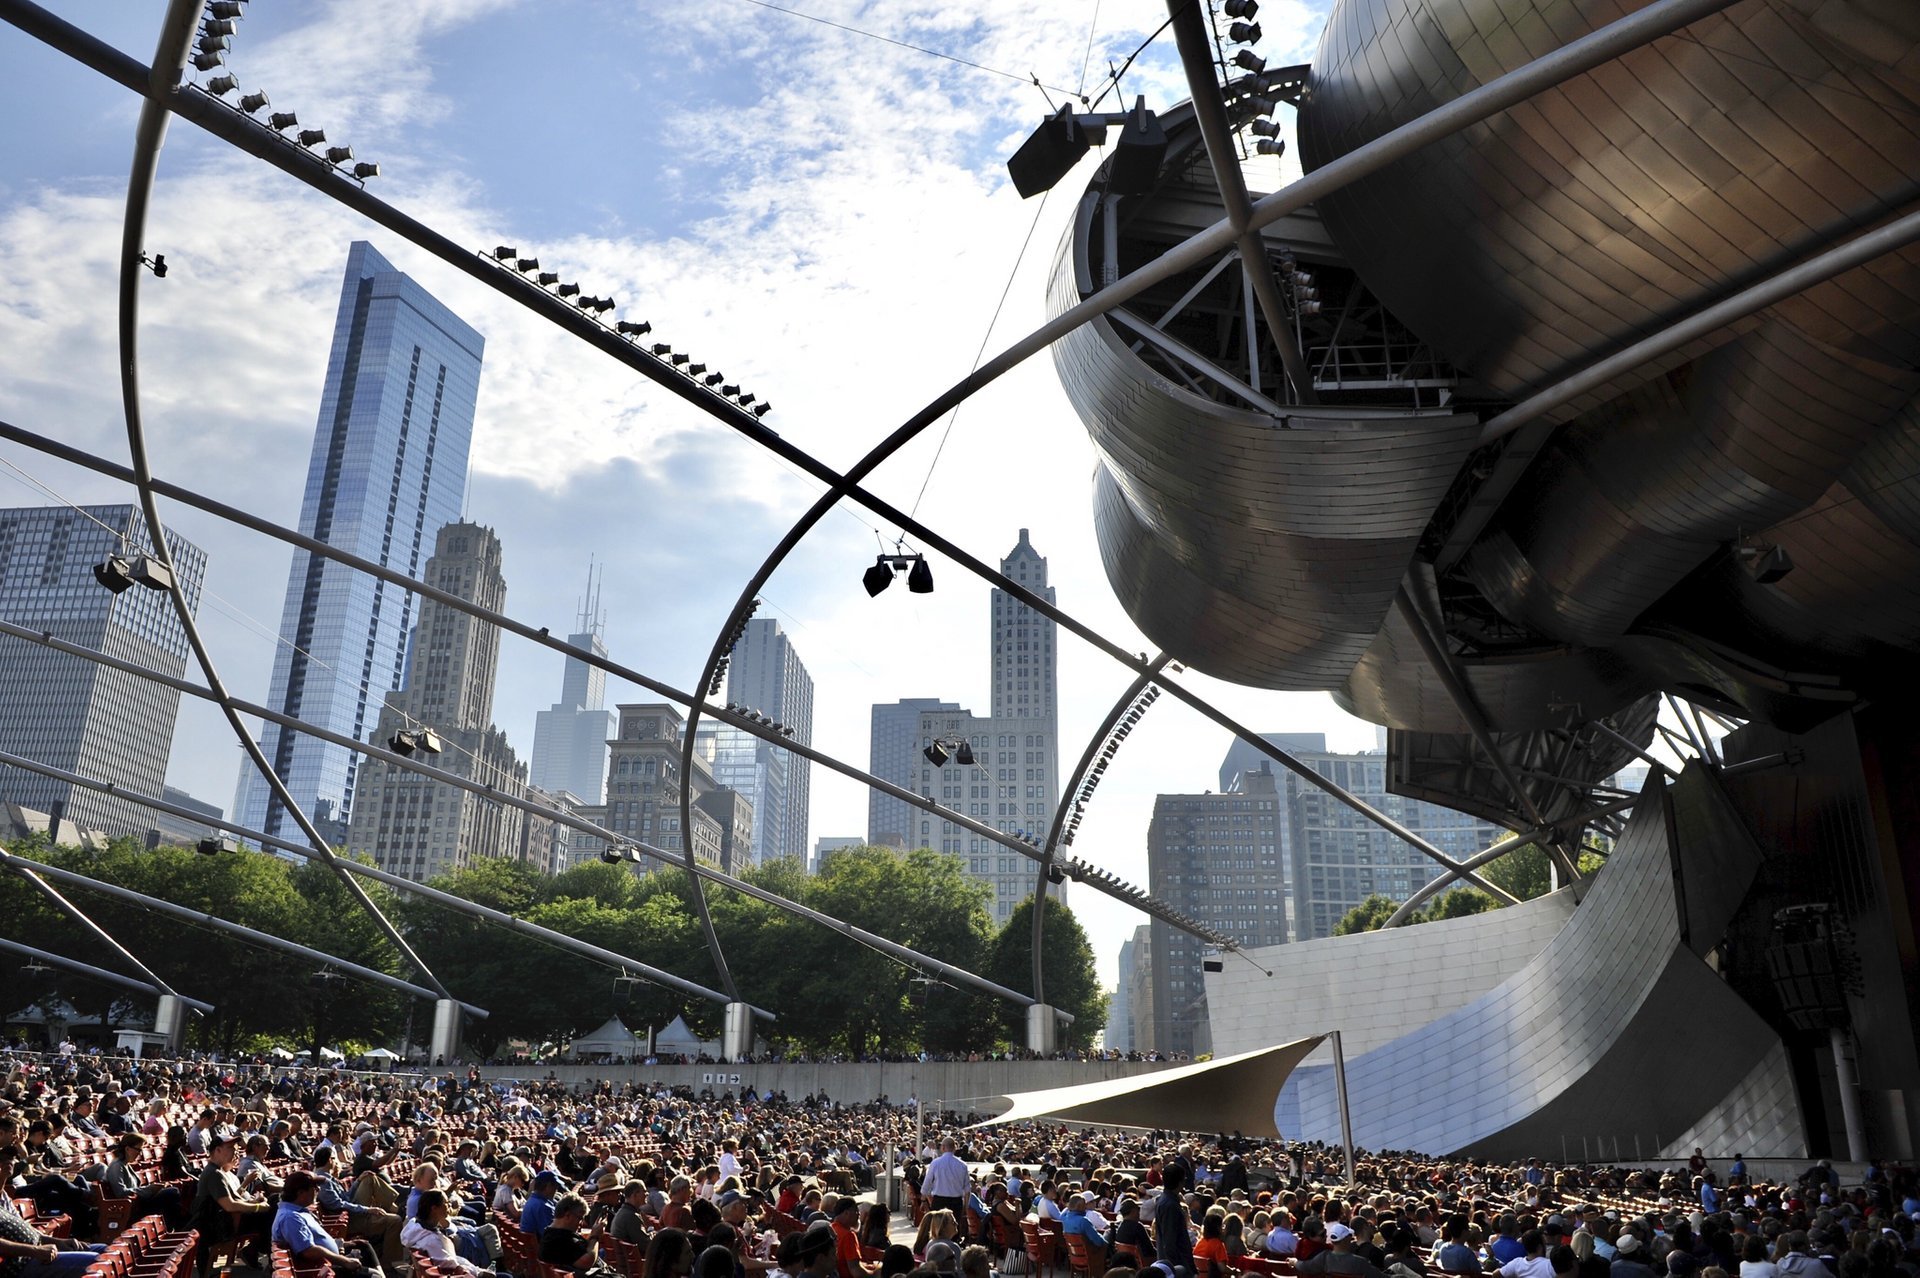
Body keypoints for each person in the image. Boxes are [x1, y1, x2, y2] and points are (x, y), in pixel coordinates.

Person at [190, 1132, 272, 1276]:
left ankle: (268, 1257)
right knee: (271, 1212)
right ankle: (269, 1258)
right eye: (230, 1148)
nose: (235, 1151)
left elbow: (234, 1199)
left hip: (226, 1222)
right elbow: (229, 1205)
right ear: (217, 1150)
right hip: (219, 1227)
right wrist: (258, 1207)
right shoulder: (214, 1173)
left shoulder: (219, 1172)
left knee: (274, 1204)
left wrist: (255, 1201)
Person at [314, 1145, 406, 1273]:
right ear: (330, 1160)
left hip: (350, 1212)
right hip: (348, 1219)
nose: (336, 1162)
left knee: (368, 1177)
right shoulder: (323, 1180)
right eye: (334, 1159)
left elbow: (346, 1197)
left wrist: (358, 1181)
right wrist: (367, 1210)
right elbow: (338, 1205)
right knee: (395, 1220)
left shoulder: (328, 1177)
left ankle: (393, 1207)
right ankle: (388, 1265)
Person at [273, 1171, 382, 1278]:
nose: (318, 1190)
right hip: (322, 1269)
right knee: (374, 1275)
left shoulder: (298, 1211)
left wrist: (339, 1244)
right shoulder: (290, 1217)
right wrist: (345, 1261)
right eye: (314, 1187)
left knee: (363, 1246)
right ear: (300, 1193)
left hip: (328, 1261)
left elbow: (315, 1240)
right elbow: (308, 1251)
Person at [402, 1189, 496, 1278]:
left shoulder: (416, 1226)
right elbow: (454, 1267)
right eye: (446, 1203)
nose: (449, 1205)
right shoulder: (431, 1240)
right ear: (434, 1208)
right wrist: (479, 1273)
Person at [540, 1193, 608, 1274]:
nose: (581, 1223)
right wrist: (595, 1236)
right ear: (568, 1215)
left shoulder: (551, 1233)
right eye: (580, 1218)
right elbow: (587, 1262)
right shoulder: (560, 1238)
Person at [922, 1141, 972, 1242]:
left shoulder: (935, 1163)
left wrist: (924, 1200)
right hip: (956, 1202)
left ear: (943, 1148)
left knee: (937, 1230)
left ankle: (937, 1251)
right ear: (954, 1148)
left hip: (939, 1200)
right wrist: (965, 1208)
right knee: (954, 1231)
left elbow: (926, 1184)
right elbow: (967, 1189)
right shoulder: (962, 1165)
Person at [1300, 1223, 1384, 1278]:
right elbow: (1381, 1276)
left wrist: (1293, 1262)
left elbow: (1304, 1266)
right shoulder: (1360, 1262)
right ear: (1347, 1239)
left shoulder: (1324, 1258)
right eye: (1350, 1236)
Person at [830, 1198, 878, 1278]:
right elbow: (857, 1272)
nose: (859, 1214)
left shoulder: (831, 1228)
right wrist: (876, 1273)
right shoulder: (848, 1235)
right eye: (856, 1211)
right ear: (846, 1213)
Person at [524, 1169, 566, 1237]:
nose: (556, 1190)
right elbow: (551, 1235)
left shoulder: (532, 1200)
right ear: (548, 1186)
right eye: (555, 1186)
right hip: (543, 1245)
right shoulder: (543, 1206)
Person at [612, 1180, 653, 1246]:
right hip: (633, 1255)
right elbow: (646, 1244)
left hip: (625, 1254)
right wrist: (652, 1233)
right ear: (635, 1194)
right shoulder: (631, 1216)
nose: (647, 1194)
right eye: (644, 1191)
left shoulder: (622, 1212)